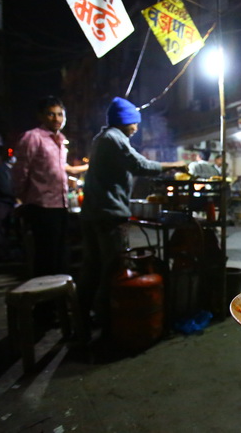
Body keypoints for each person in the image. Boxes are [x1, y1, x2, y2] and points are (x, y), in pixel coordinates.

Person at [80, 96, 186, 335]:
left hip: (93, 213)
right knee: (112, 268)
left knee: (93, 267)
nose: (137, 127)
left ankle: (84, 318)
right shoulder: (114, 139)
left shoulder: (102, 138)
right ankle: (110, 322)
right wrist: (173, 165)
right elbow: (140, 165)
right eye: (134, 123)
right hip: (108, 214)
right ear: (125, 121)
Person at [12, 96, 89, 278]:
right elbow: (20, 171)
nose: (56, 119)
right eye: (51, 114)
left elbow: (61, 169)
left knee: (61, 255)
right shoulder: (33, 137)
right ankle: (44, 303)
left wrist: (87, 167)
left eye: (60, 115)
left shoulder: (60, 142)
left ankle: (59, 300)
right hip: (41, 206)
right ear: (41, 116)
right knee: (45, 257)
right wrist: (24, 197)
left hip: (60, 205)